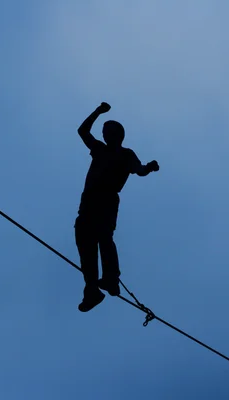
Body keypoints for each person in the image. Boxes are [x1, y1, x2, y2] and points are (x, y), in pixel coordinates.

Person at [75, 102, 159, 312]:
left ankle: (111, 279)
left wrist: (148, 167)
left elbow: (138, 170)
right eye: (104, 132)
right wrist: (97, 112)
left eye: (108, 132)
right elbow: (82, 131)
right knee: (85, 239)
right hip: (89, 199)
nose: (104, 135)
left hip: (106, 199)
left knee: (103, 237)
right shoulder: (99, 149)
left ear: (118, 135)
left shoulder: (125, 154)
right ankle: (92, 288)